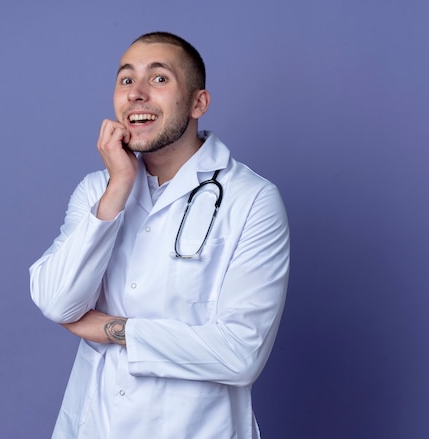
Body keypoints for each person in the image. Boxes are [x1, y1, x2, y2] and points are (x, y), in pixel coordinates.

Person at [30, 31, 290, 439]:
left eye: (159, 79)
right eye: (126, 79)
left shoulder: (252, 199)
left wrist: (112, 329)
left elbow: (240, 355)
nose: (136, 94)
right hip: (97, 425)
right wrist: (119, 186)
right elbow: (57, 301)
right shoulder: (98, 191)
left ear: (198, 103)